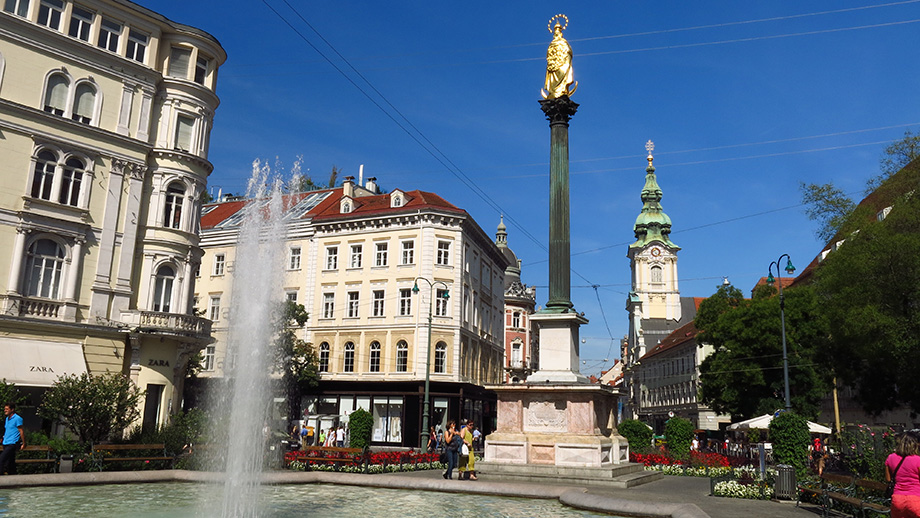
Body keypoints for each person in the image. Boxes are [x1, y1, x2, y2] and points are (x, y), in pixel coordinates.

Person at [886, 430, 920, 518]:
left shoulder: (891, 458)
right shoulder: (918, 460)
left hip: (897, 499)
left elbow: (888, 479)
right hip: (915, 499)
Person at [0, 403, 25, 475]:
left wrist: (24, 443)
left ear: (12, 409)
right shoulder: (7, 419)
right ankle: (14, 477)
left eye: (7, 409)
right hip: (6, 442)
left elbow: (21, 431)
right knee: (10, 463)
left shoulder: (17, 418)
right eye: (5, 409)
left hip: (12, 443)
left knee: (1, 459)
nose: (5, 410)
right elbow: (8, 430)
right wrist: (3, 438)